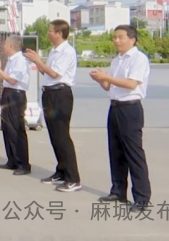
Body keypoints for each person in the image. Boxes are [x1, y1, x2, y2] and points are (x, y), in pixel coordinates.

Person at [90, 25, 151, 212]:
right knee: (115, 151)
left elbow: (131, 84)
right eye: (115, 37)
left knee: (133, 153)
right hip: (115, 107)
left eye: (120, 37)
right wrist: (101, 79)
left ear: (132, 39)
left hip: (130, 109)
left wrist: (107, 78)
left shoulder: (139, 59)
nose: (116, 41)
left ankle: (141, 197)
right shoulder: (117, 60)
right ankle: (118, 190)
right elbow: (110, 87)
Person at [25, 19, 82, 192]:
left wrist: (37, 60)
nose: (48, 33)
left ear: (59, 33)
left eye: (50, 31)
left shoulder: (67, 51)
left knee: (62, 136)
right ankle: (61, 171)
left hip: (60, 94)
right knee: (54, 135)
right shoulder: (54, 50)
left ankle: (73, 178)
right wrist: (36, 62)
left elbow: (55, 74)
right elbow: (46, 72)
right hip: (49, 93)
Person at [0, 35, 31, 175]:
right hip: (7, 93)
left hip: (16, 95)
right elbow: (3, 79)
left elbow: (13, 80)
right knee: (7, 128)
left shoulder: (20, 60)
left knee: (16, 129)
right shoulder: (11, 60)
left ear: (11, 46)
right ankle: (12, 160)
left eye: (5, 44)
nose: (3, 46)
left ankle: (23, 163)